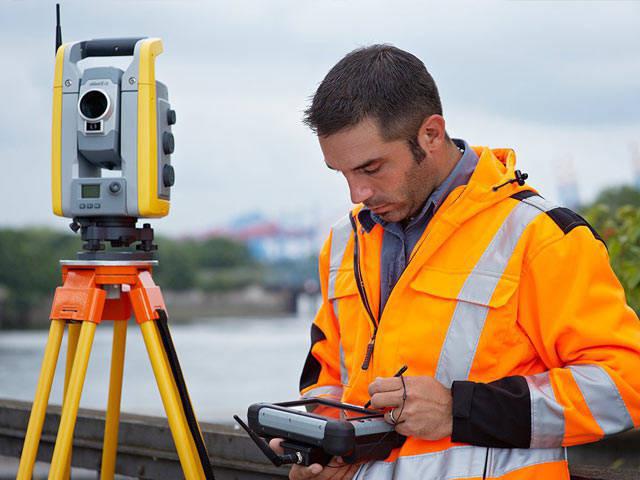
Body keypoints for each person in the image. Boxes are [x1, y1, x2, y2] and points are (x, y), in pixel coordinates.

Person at [270, 44, 640, 479]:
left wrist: (457, 410)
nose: (357, 194)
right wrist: (326, 445)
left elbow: (626, 386)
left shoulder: (539, 236)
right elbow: (328, 375)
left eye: (371, 168)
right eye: (343, 173)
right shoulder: (342, 242)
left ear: (431, 134)